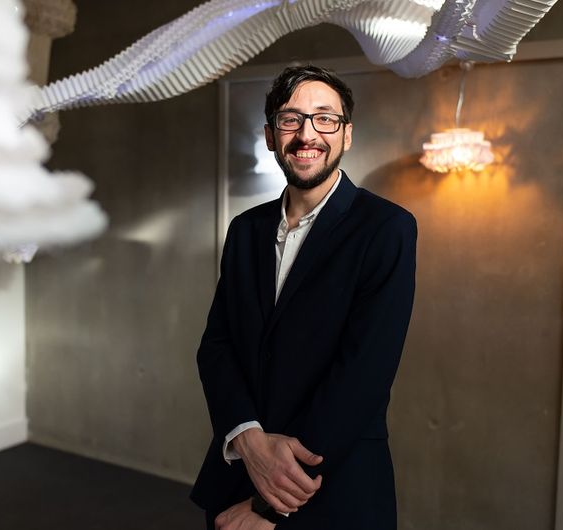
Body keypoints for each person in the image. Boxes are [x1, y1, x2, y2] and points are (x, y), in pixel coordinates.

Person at [191, 64, 416, 530]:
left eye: (325, 118)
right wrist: (248, 442)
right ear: (272, 135)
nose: (306, 133)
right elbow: (217, 347)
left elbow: (363, 376)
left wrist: (267, 504)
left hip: (330, 487)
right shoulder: (245, 230)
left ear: (346, 134)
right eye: (291, 119)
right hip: (237, 470)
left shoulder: (387, 228)